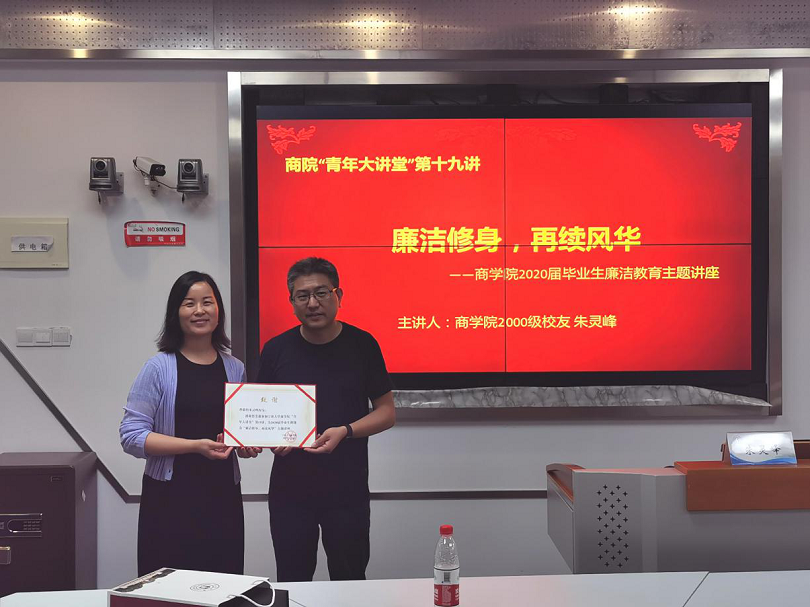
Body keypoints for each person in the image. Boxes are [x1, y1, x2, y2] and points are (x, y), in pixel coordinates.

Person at [257, 257, 396, 582]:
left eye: (321, 293)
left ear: (338, 295)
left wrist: (346, 431)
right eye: (302, 296)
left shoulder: (363, 345)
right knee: (292, 580)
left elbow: (387, 412)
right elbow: (263, 415)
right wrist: (271, 440)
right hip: (290, 491)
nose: (312, 303)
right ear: (292, 301)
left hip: (347, 489)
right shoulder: (276, 350)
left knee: (350, 580)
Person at [120, 271, 260, 576]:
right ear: (176, 313)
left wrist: (245, 445)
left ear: (218, 310)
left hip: (222, 495)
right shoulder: (157, 368)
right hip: (170, 497)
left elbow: (239, 430)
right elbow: (131, 436)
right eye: (189, 303)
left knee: (223, 583)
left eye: (207, 302)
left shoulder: (235, 368)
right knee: (167, 587)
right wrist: (194, 446)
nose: (199, 310)